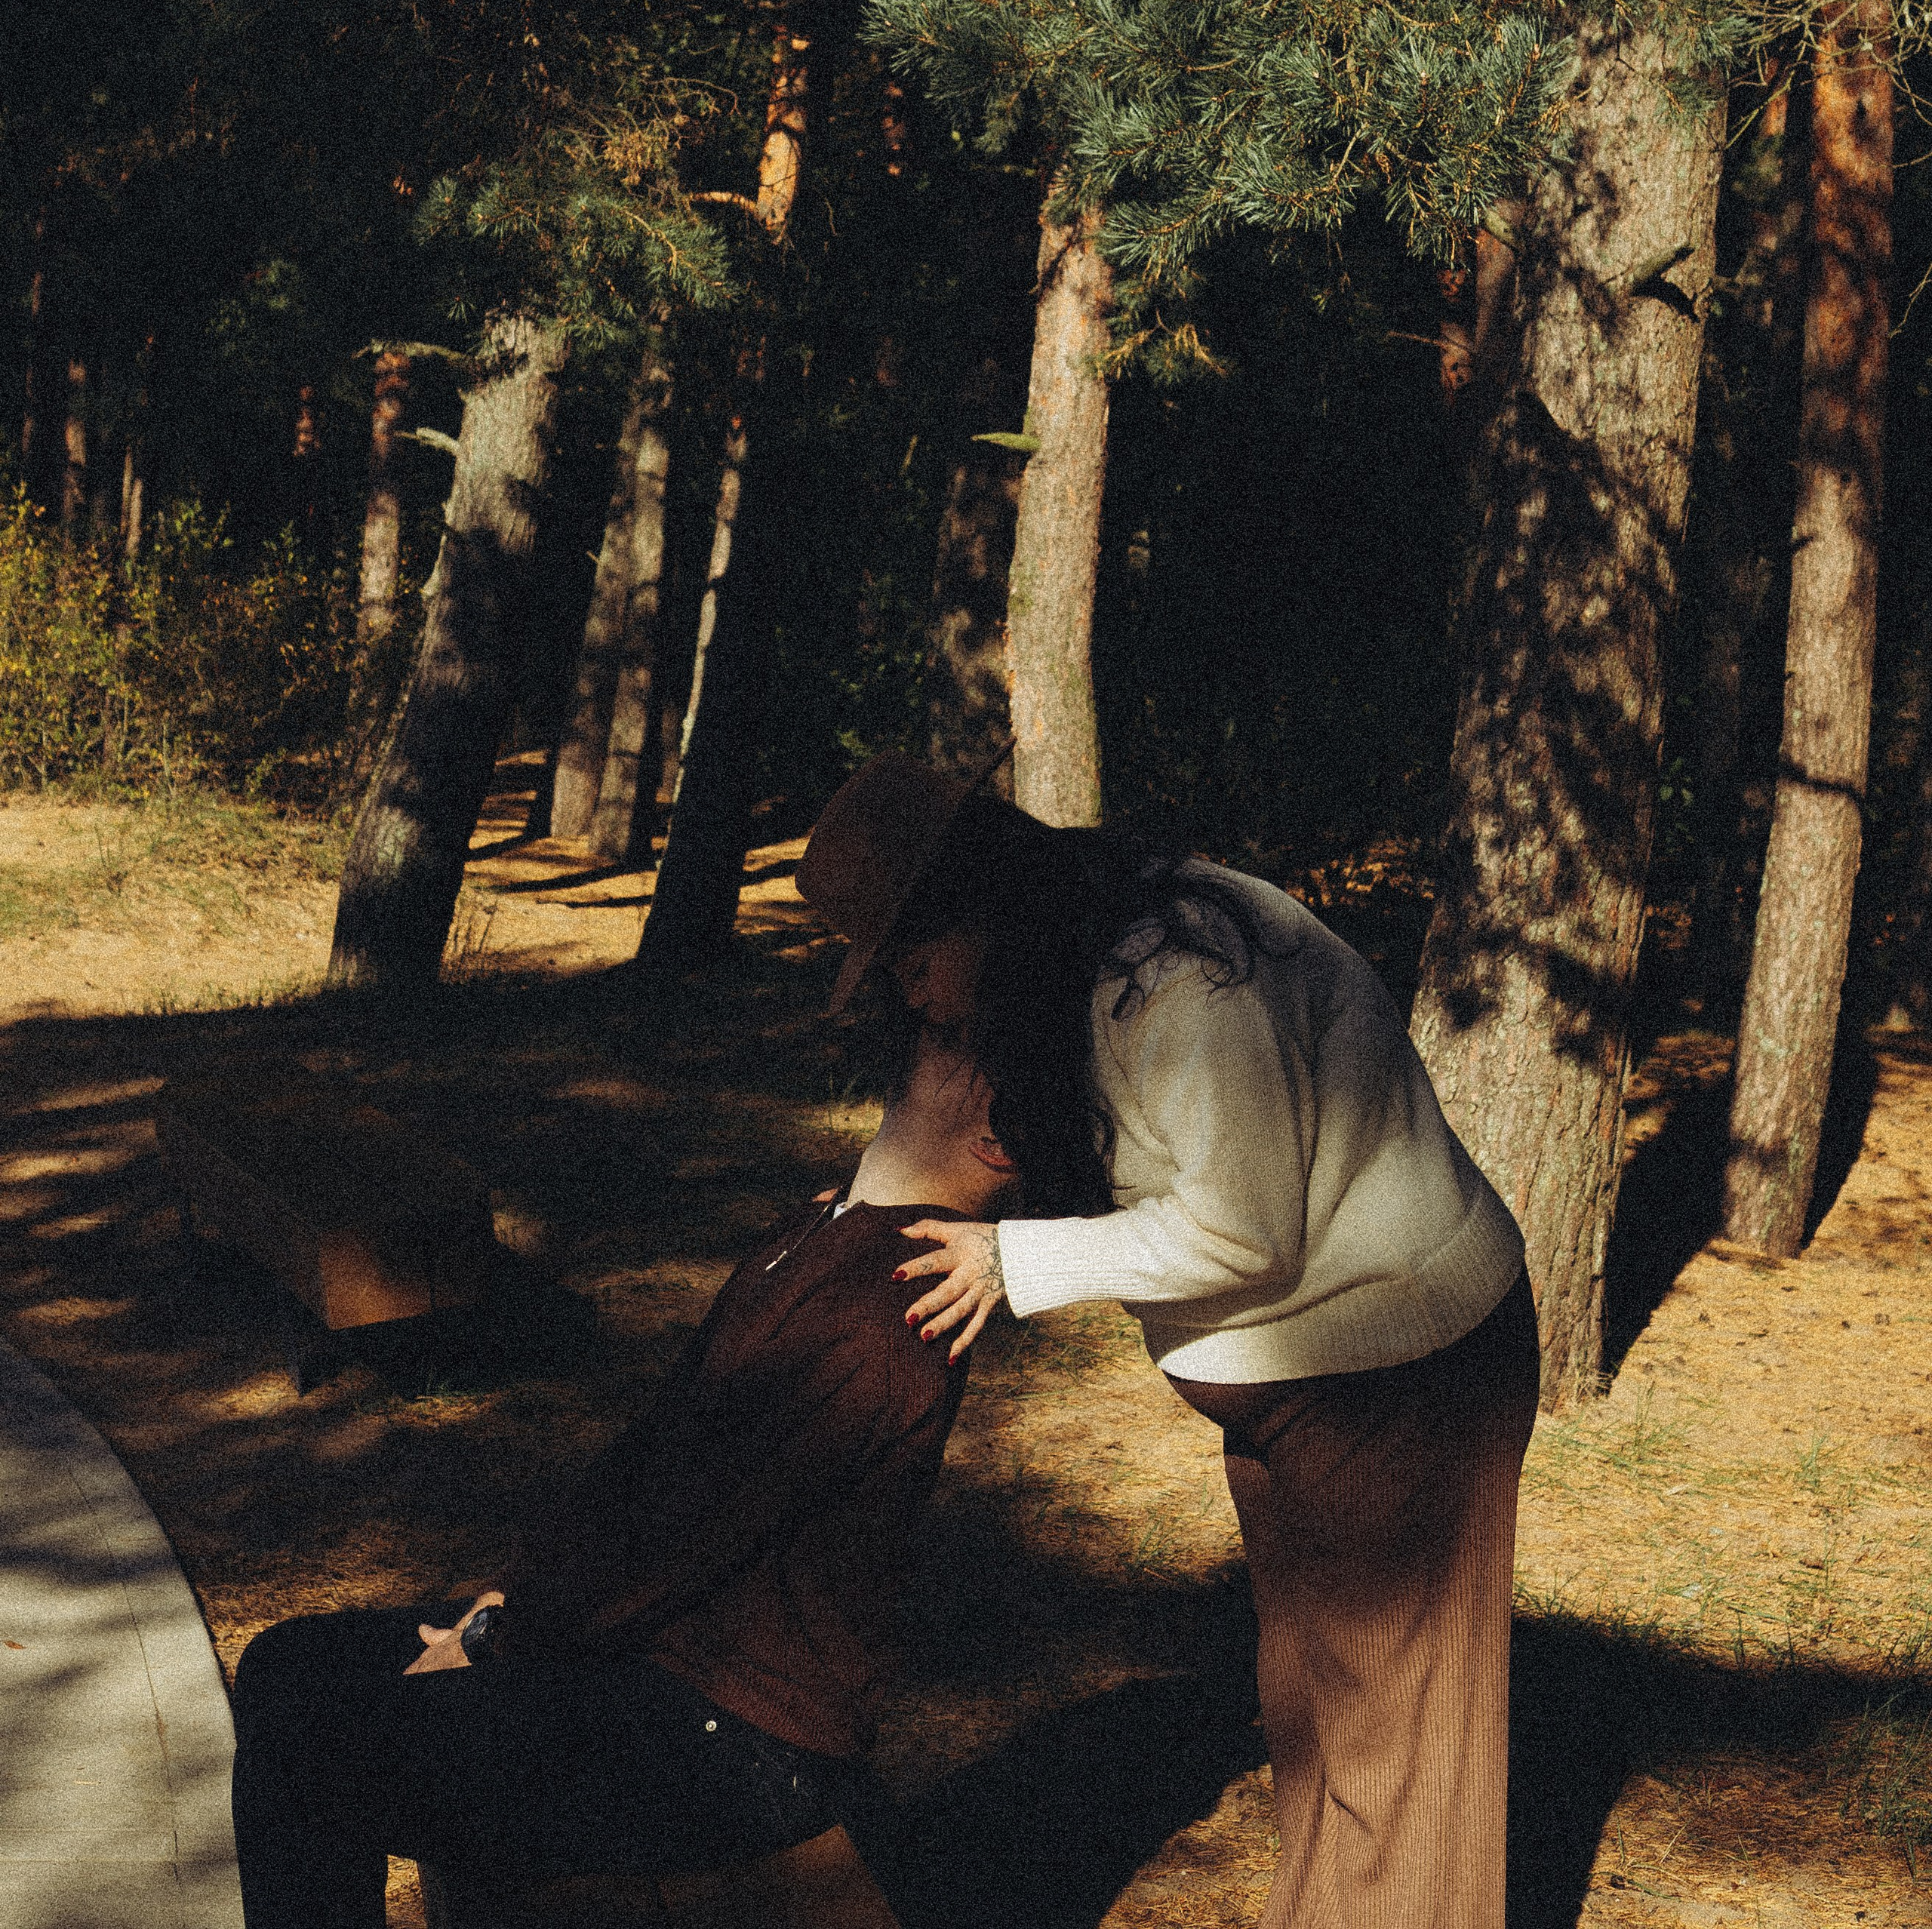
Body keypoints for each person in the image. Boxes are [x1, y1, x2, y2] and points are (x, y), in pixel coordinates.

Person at [796, 754, 1540, 1929]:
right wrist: (853, 1226)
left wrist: (1016, 1265)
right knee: (1317, 1711)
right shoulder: (1065, 966)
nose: (911, 989)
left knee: (1399, 1749)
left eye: (912, 954)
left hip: (1403, 1375)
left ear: (982, 896)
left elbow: (1245, 1231)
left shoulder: (1183, 981)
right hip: (1298, 1383)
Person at [228, 1029, 1017, 1929]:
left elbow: (679, 1533)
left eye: (974, 1045)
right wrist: (504, 1596)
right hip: (658, 1657)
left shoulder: (893, 1303)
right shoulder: (829, 1228)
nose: (938, 1018)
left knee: (309, 1752)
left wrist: (492, 1639)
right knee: (289, 1666)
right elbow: (651, 1464)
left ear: (995, 1140)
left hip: (732, 1740)